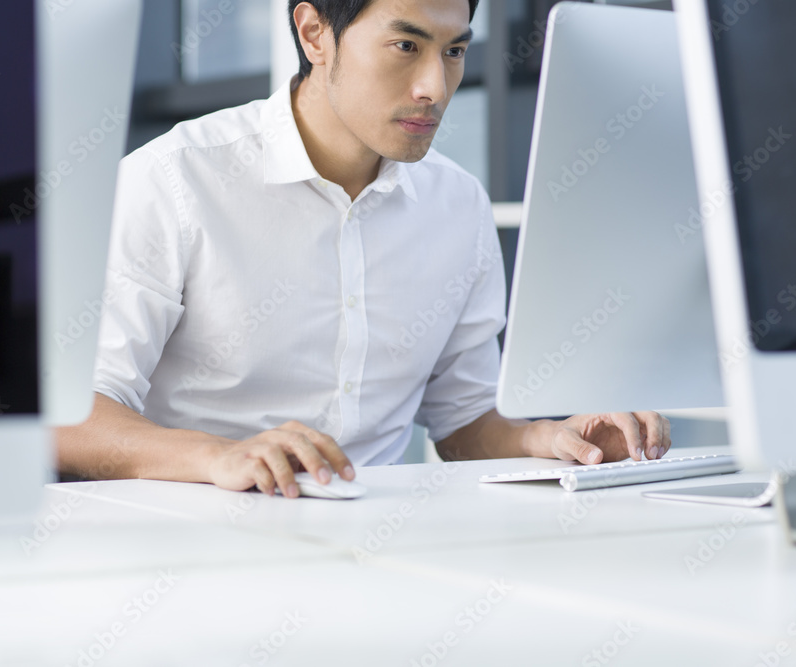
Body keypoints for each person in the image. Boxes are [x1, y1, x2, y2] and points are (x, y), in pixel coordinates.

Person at [56, 0, 671, 498]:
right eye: (406, 45)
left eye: (454, 51)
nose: (435, 85)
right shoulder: (173, 181)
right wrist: (218, 457)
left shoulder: (457, 204)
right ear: (315, 34)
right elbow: (70, 419)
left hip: (381, 542)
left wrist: (554, 439)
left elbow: (462, 425)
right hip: (191, 542)